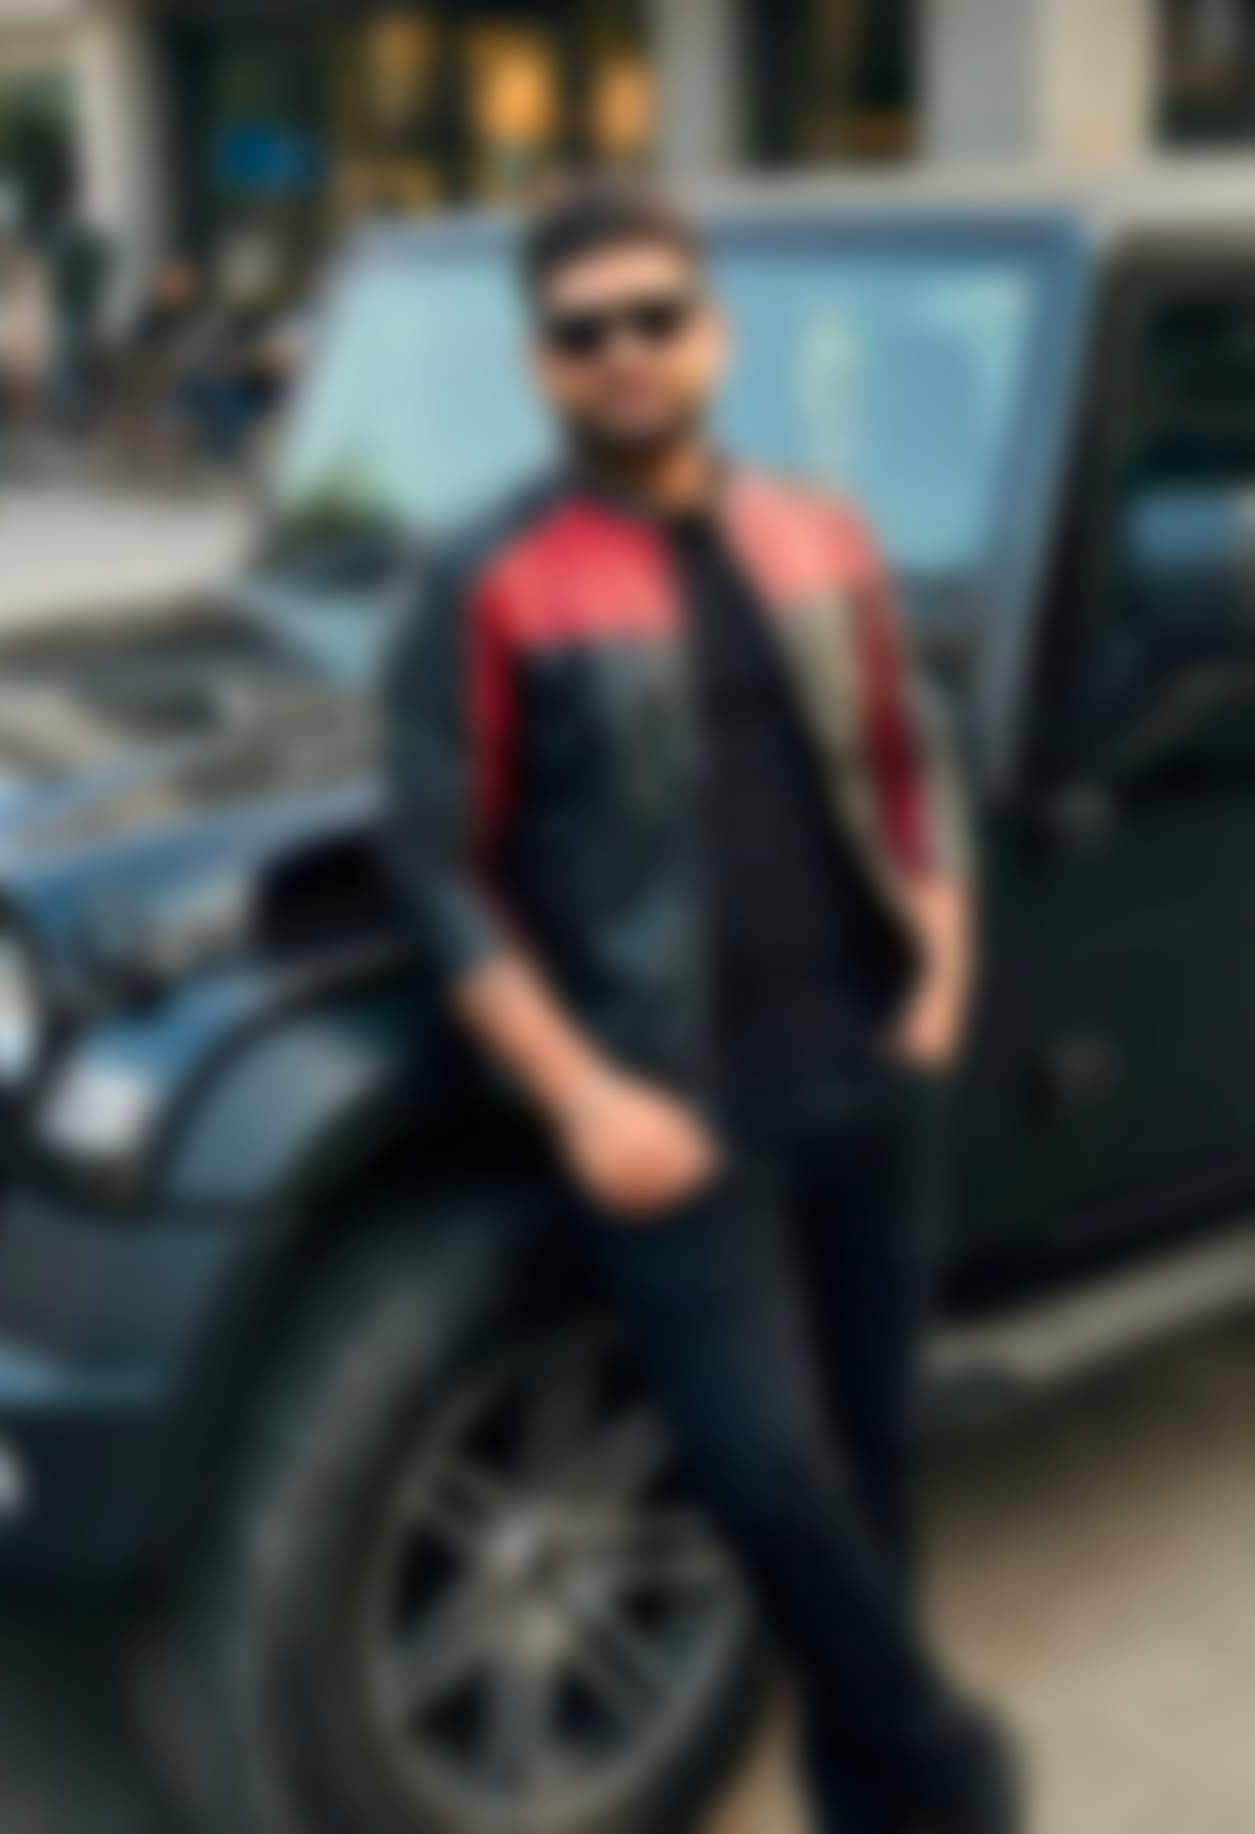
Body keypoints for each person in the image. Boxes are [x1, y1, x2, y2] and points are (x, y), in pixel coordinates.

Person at [386, 182, 1021, 1833]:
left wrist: (940, 975)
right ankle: (950, 1764)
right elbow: (438, 869)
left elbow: (908, 761)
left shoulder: (820, 529)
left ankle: (872, 1798)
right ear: (540, 364)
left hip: (868, 1061)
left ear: (713, 336)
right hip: (672, 1103)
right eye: (584, 329)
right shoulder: (485, 577)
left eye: (655, 317)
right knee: (764, 1475)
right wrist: (585, 1094)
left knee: (873, 1451)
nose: (626, 352)